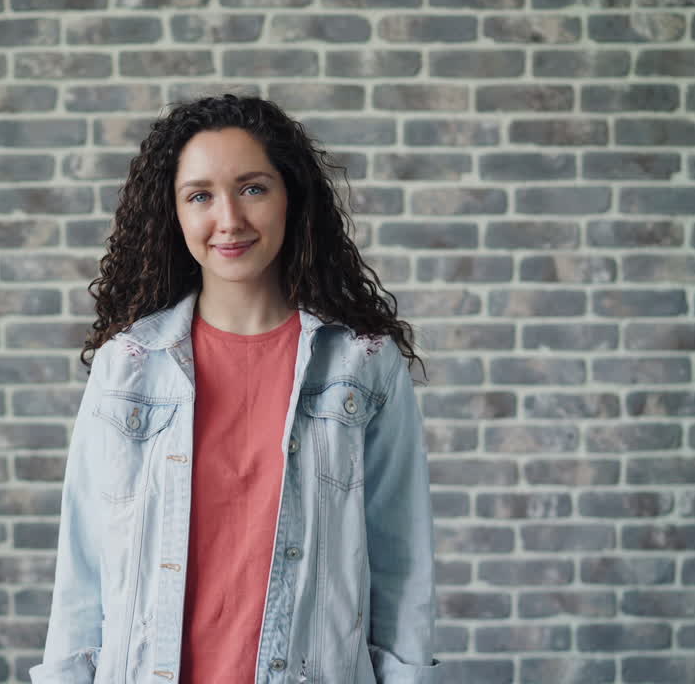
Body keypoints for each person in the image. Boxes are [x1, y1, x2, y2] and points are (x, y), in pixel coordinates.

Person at [29, 94, 441, 684]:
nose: (229, 219)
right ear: (173, 213)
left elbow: (402, 563)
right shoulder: (128, 365)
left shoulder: (364, 363)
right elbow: (83, 565)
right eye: (200, 195)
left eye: (252, 188)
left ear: (290, 196)